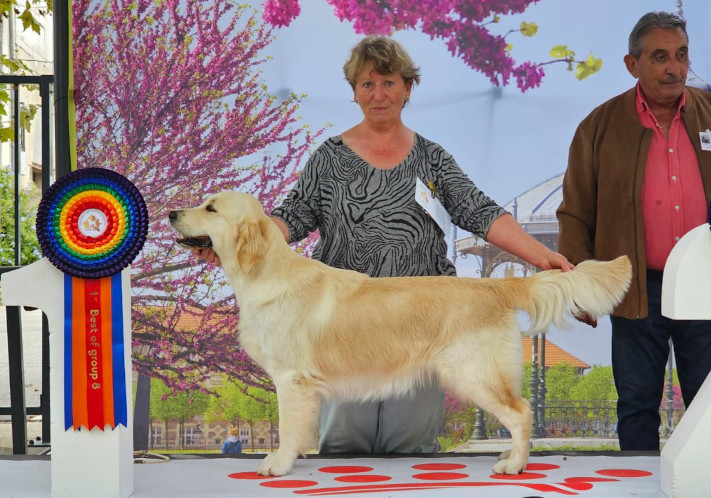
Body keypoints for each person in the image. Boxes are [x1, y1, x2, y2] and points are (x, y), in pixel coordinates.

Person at [197, 36, 573, 455]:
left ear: (408, 88)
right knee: (343, 444)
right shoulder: (329, 158)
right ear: (354, 92)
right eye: (366, 84)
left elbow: (478, 211)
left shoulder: (432, 158)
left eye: (389, 83)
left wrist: (541, 256)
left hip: (422, 322)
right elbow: (294, 215)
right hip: (341, 325)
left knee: (410, 445)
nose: (378, 95)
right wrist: (236, 241)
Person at [556, 11, 711, 451]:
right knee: (637, 403)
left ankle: (710, 483)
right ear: (632, 64)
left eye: (681, 55)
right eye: (660, 57)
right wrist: (579, 286)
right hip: (636, 289)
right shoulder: (599, 126)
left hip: (709, 286)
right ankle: (636, 487)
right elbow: (575, 213)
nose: (674, 68)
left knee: (710, 405)